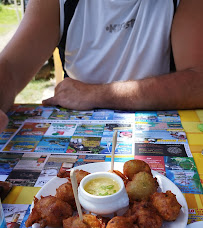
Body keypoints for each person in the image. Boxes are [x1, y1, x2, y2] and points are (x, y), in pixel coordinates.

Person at [0, 0, 203, 133]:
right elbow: (10, 68)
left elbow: (198, 82)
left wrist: (96, 94)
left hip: (157, 134)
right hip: (77, 136)